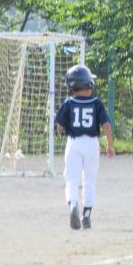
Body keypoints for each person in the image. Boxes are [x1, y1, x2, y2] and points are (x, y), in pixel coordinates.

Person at [56, 65, 114, 230]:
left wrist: (63, 129)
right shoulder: (96, 103)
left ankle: (73, 204)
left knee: (72, 180)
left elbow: (60, 127)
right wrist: (110, 145)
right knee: (89, 180)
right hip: (91, 144)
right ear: (88, 83)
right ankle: (86, 215)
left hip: (74, 143)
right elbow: (106, 124)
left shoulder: (68, 103)